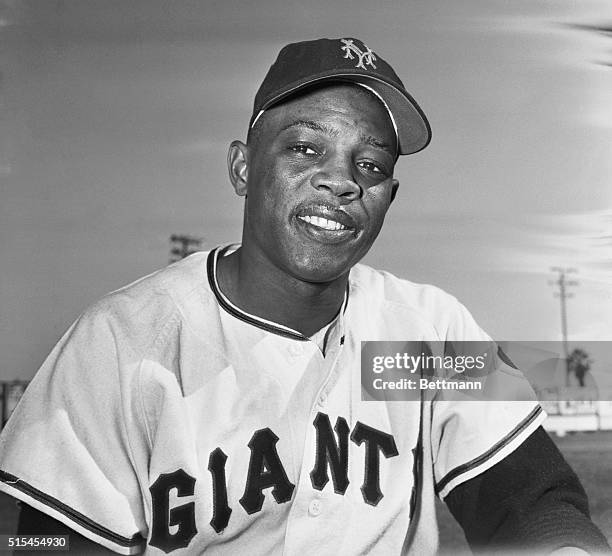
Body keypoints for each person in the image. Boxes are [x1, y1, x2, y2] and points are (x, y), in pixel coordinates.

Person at [0, 37, 609, 555]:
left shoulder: (427, 328)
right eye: (306, 148)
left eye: (370, 165)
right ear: (242, 168)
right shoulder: (120, 341)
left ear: (388, 199)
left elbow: (533, 500)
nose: (342, 180)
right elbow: (39, 542)